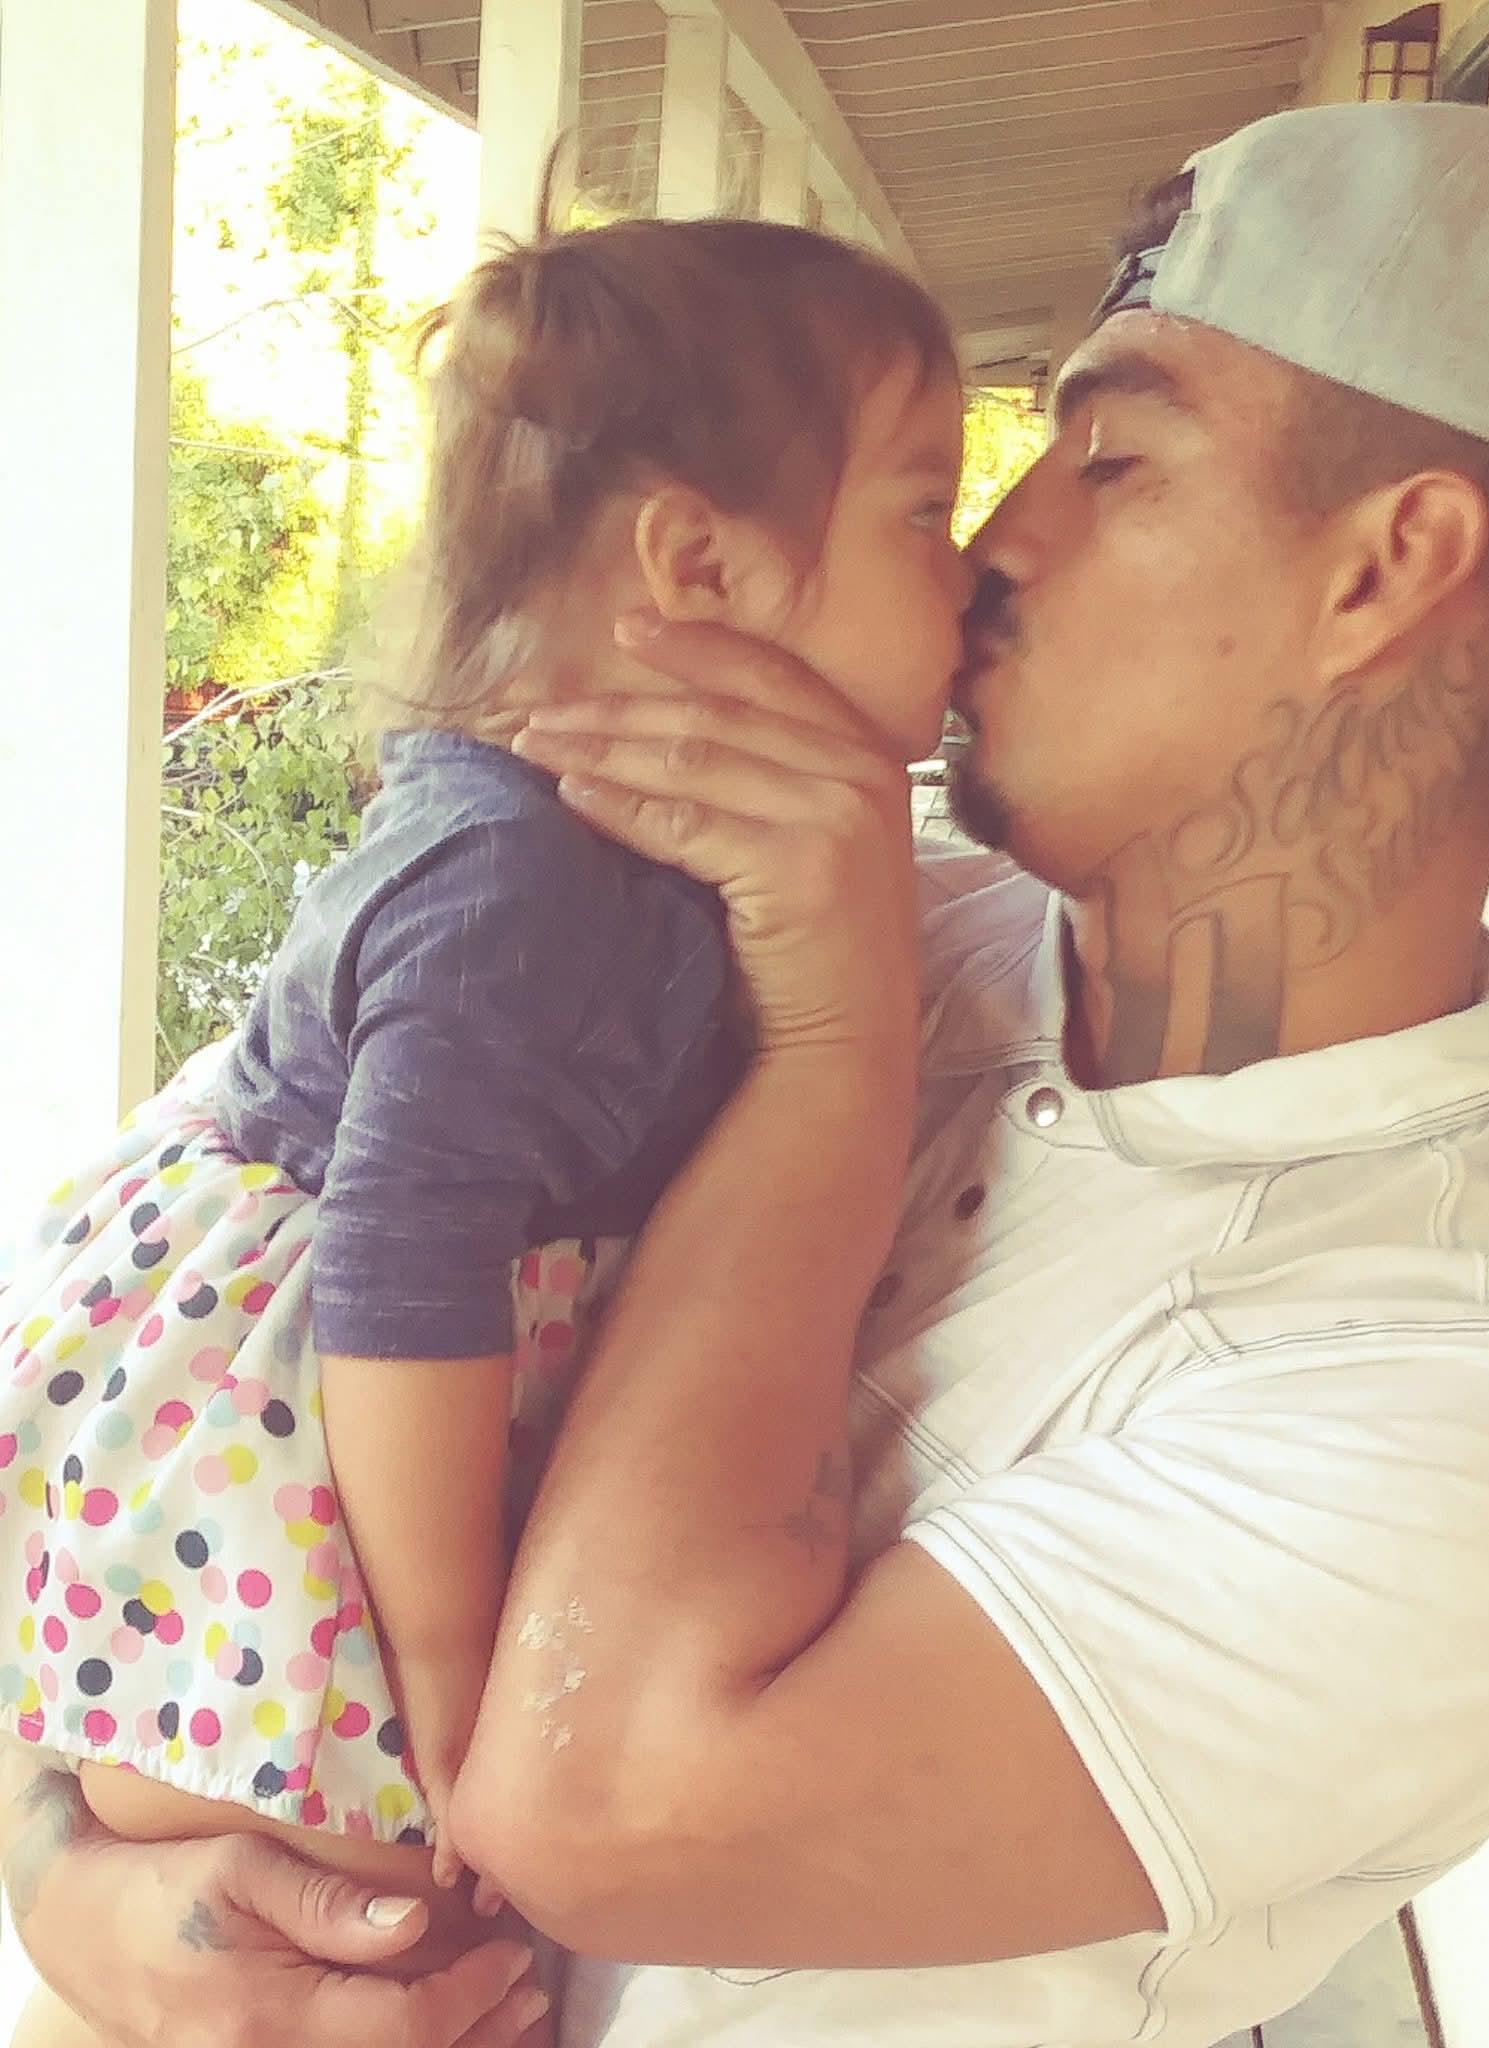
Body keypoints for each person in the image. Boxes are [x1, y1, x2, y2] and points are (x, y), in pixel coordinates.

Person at [4, 99, 1489, 2048]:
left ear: (1381, 569)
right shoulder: (747, 911)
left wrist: (826, 1054)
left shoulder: (1475, 1426)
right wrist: (65, 1874)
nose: (991, 548)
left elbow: (581, 1801)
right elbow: (131, 1364)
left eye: (1110, 458)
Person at [0, 211, 968, 2048]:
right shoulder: (530, 882)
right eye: (925, 509)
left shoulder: (610, 857)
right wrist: (447, 1667)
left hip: (376, 1425)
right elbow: (398, 1260)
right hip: (312, 1448)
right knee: (350, 1923)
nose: (977, 563)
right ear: (699, 565)